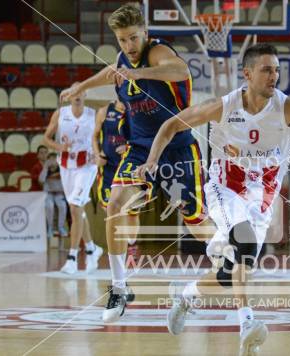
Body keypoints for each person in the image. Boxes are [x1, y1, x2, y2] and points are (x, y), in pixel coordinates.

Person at [137, 43, 290, 356]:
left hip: (262, 198)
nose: (274, 76)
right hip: (225, 188)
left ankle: (186, 295)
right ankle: (247, 323)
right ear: (248, 74)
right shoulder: (223, 106)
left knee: (230, 273)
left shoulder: (289, 108)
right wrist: (151, 161)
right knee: (245, 244)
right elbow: (171, 124)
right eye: (267, 70)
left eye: (277, 70)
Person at [60, 3, 210, 323]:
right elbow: (109, 71)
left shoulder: (156, 53)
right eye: (122, 40)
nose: (128, 45)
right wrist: (81, 87)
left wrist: (139, 73)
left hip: (177, 147)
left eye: (133, 38)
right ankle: (118, 287)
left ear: (145, 32)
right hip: (140, 148)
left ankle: (228, 255)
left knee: (197, 224)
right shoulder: (121, 59)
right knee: (115, 203)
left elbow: (180, 70)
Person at [43, 84, 103, 275]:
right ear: (68, 96)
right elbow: (46, 139)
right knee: (77, 210)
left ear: (85, 94)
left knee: (75, 207)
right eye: (73, 92)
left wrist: (99, 152)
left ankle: (72, 257)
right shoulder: (60, 113)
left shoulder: (93, 114)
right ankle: (93, 248)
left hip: (87, 166)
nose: (77, 95)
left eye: (80, 92)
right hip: (66, 165)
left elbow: (103, 138)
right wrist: (59, 147)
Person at [93, 100, 139, 260]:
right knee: (112, 210)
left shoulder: (135, 109)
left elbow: (142, 137)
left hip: (129, 166)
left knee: (131, 213)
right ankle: (119, 252)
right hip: (108, 168)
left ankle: (132, 243)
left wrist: (128, 148)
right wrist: (97, 154)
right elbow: (94, 136)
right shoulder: (105, 111)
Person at [39, 152, 68, 239]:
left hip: (59, 193)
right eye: (50, 159)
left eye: (54, 159)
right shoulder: (46, 170)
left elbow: (67, 180)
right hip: (48, 193)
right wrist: (45, 167)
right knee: (49, 206)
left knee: (62, 205)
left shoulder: (62, 169)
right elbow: (41, 180)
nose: (52, 162)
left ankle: (61, 227)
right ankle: (50, 228)